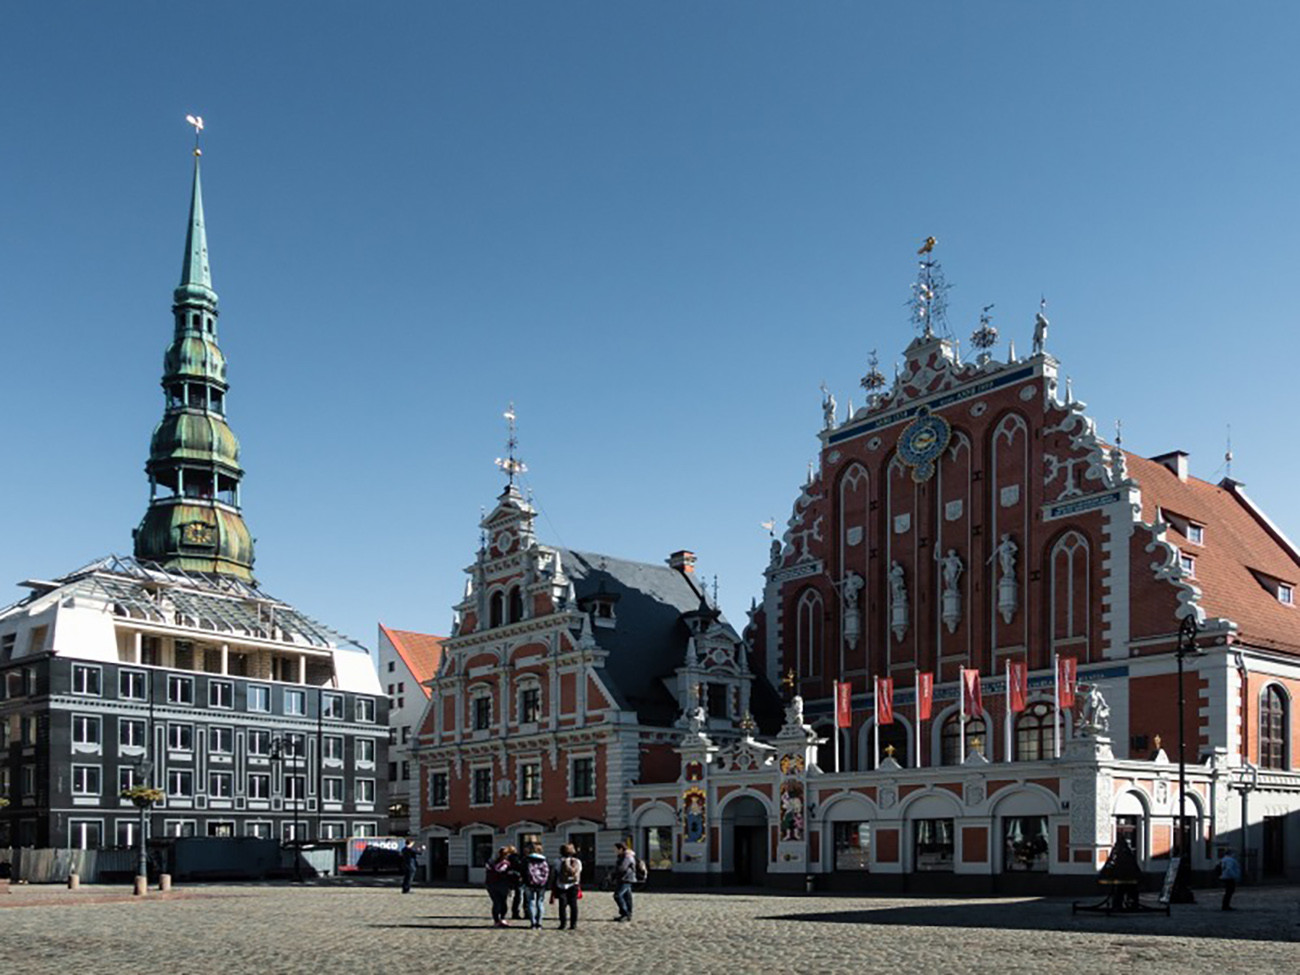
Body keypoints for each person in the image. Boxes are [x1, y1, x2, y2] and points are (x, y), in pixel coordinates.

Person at [485, 845, 518, 927]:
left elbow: (488, 870)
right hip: (502, 884)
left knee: (496, 902)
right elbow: (502, 871)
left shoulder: (492, 862)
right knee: (502, 902)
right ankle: (501, 919)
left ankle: (497, 920)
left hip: (491, 884)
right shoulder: (506, 863)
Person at [521, 841, 551, 929]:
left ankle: (533, 923)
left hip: (529, 884)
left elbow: (523, 872)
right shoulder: (544, 860)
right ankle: (539, 923)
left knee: (531, 902)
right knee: (540, 903)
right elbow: (547, 872)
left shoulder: (526, 860)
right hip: (541, 884)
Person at [553, 843, 582, 930]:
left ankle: (563, 924)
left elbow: (555, 873)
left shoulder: (557, 861)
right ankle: (573, 924)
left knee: (562, 906)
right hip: (574, 885)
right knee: (574, 905)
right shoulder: (577, 861)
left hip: (561, 885)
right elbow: (579, 872)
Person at [612, 842, 637, 922]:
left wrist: (614, 872)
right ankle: (627, 914)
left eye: (616, 849)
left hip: (626, 878)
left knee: (617, 895)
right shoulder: (622, 856)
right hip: (625, 878)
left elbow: (622, 868)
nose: (614, 851)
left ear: (621, 849)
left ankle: (625, 913)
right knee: (627, 897)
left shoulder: (627, 857)